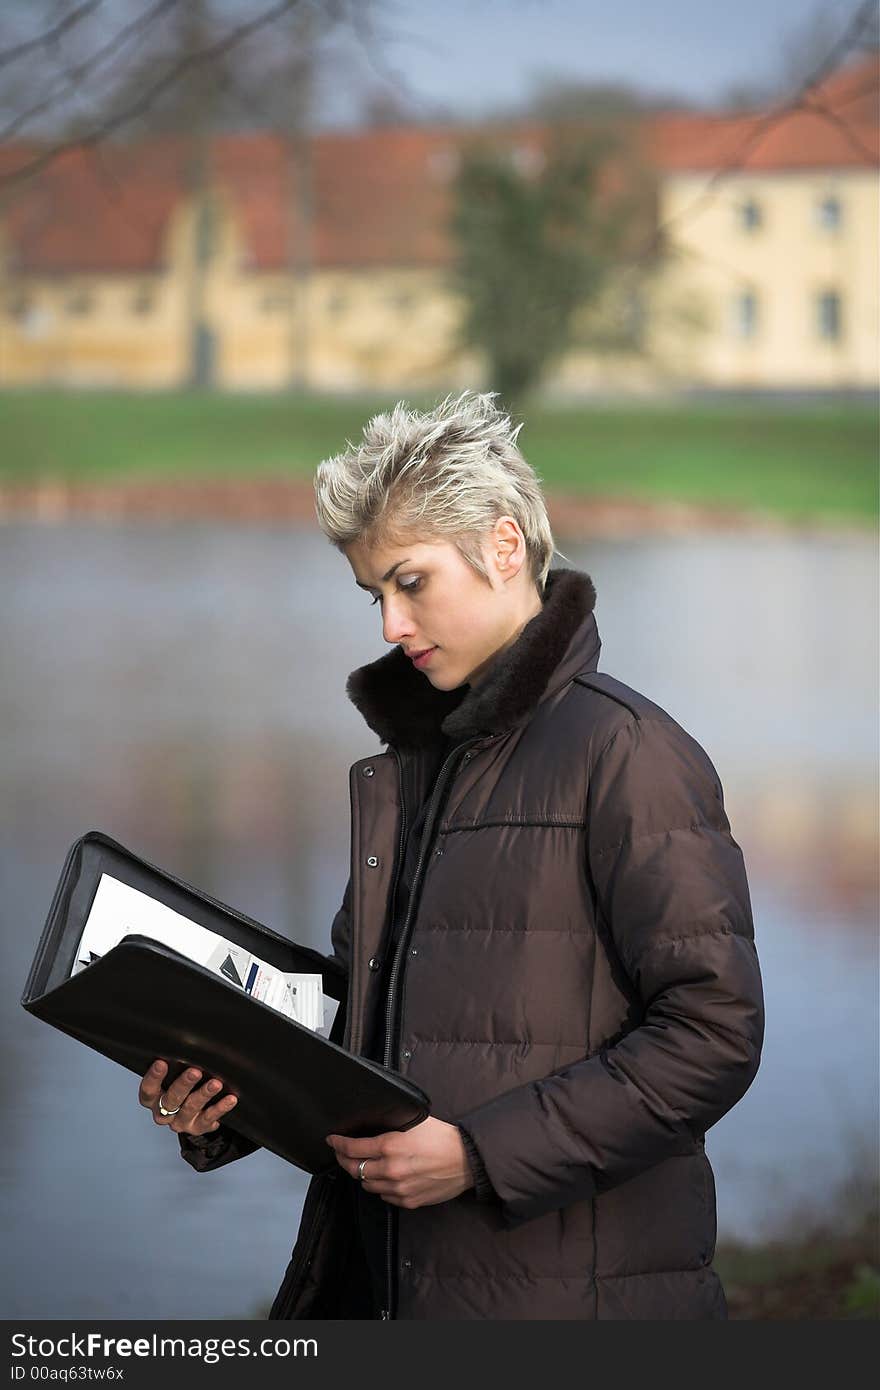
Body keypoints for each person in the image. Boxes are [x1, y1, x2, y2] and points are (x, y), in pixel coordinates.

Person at [138, 391, 764, 1320]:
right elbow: (371, 1024)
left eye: (410, 582)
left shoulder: (628, 754)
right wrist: (234, 1094)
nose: (389, 624)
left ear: (504, 548)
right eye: (374, 594)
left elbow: (715, 1035)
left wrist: (479, 1154)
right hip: (384, 1289)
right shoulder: (411, 770)